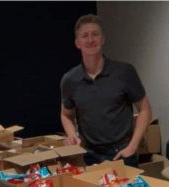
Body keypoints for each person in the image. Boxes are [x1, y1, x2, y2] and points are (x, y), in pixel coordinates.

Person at [60, 14, 152, 168]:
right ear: (77, 43)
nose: (90, 40)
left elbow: (145, 110)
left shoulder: (124, 72)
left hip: (122, 153)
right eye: (85, 35)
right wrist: (71, 135)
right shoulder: (69, 80)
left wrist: (133, 146)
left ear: (103, 39)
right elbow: (65, 114)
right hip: (89, 155)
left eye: (95, 34)